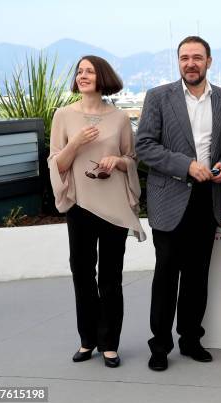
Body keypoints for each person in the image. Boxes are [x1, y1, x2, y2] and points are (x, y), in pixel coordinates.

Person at [135, 36, 221, 371]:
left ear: (209, 61)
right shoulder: (158, 97)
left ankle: (191, 339)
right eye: (184, 58)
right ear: (178, 62)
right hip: (170, 198)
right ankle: (160, 346)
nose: (190, 63)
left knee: (197, 277)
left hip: (206, 199)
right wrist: (186, 165)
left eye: (197, 57)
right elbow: (145, 146)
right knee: (166, 275)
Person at [48, 55, 146, 368]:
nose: (83, 75)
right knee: (82, 273)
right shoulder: (63, 115)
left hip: (113, 206)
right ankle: (87, 340)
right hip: (79, 206)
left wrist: (116, 162)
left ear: (102, 77)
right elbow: (57, 165)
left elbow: (131, 159)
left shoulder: (118, 118)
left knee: (111, 276)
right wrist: (75, 143)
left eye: (89, 71)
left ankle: (109, 344)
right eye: (79, 71)